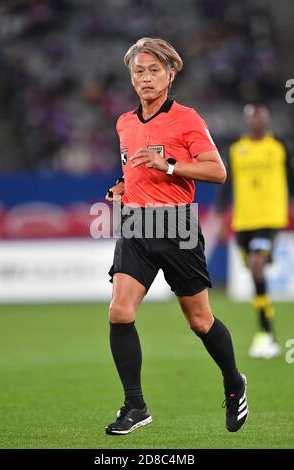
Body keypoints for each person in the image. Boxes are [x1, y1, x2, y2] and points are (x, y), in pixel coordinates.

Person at [105, 37, 248, 436]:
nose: (146, 77)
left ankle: (234, 381)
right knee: (120, 311)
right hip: (135, 226)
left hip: (177, 227)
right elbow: (135, 170)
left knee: (200, 320)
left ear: (170, 74)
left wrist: (168, 166)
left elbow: (217, 171)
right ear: (131, 78)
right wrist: (121, 185)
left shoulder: (186, 119)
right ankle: (135, 406)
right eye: (139, 71)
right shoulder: (125, 122)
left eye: (154, 70)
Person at [216, 103, 292, 359]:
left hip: (270, 219)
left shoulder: (279, 148)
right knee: (254, 272)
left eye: (261, 116)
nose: (257, 121)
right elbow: (226, 185)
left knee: (257, 265)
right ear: (247, 120)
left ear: (267, 120)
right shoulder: (237, 151)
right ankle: (265, 324)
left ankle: (265, 333)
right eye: (253, 117)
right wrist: (220, 213)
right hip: (243, 222)